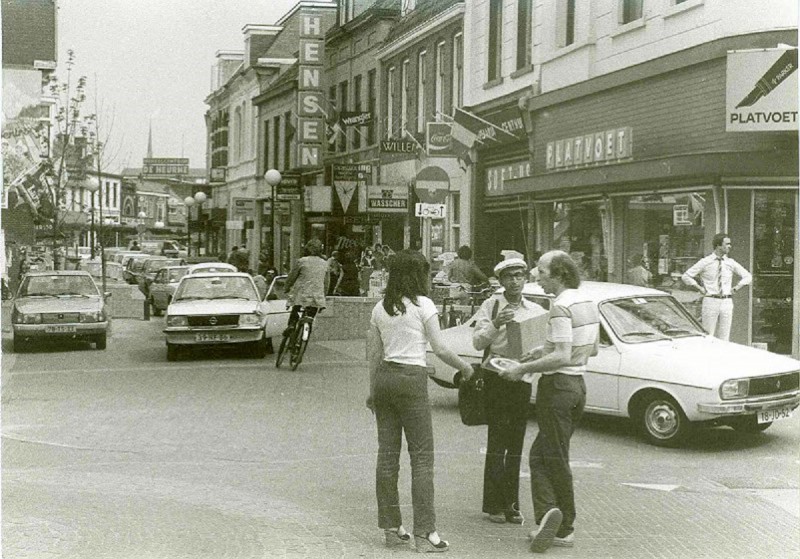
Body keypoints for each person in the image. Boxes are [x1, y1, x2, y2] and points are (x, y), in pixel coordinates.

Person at [367, 250, 475, 552]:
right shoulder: (424, 305)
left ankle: (391, 528)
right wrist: (465, 367)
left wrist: (371, 389)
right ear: (417, 274)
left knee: (387, 457)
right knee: (422, 458)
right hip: (412, 380)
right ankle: (425, 533)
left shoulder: (380, 308)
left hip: (384, 379)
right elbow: (439, 349)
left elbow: (374, 354)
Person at [498, 250, 599, 553]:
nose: (535, 276)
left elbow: (561, 356)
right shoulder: (587, 302)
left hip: (557, 387)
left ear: (559, 274)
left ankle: (565, 525)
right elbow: (590, 349)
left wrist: (521, 368)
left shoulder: (560, 307)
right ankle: (547, 518)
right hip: (577, 386)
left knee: (554, 458)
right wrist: (540, 350)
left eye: (541, 271)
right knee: (541, 456)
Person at [472, 257, 541, 525]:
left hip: (520, 378)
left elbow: (537, 344)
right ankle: (493, 505)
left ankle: (511, 504)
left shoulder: (533, 308)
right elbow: (477, 342)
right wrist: (496, 323)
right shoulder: (491, 305)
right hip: (496, 377)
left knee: (516, 443)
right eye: (509, 276)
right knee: (497, 440)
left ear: (526, 278)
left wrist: (529, 370)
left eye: (519, 275)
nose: (515, 280)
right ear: (500, 281)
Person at [681, 233, 751, 341]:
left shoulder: (730, 262)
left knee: (725, 336)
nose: (730, 246)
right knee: (708, 335)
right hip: (711, 299)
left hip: (726, 301)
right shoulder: (706, 262)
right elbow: (686, 276)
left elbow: (748, 276)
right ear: (718, 245)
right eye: (727, 244)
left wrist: (736, 287)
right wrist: (699, 288)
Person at [284, 238, 329, 338]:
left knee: (295, 310)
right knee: (310, 317)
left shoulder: (302, 261)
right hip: (316, 297)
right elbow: (326, 283)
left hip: (301, 294)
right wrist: (323, 297)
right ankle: (305, 335)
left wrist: (286, 288)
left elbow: (292, 277)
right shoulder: (325, 264)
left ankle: (291, 325)